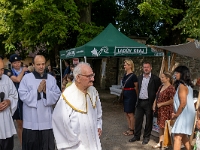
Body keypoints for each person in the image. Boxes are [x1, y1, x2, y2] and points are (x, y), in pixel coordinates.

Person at [52, 62, 102, 150]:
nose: (93, 79)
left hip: (94, 143)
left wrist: (98, 125)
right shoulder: (67, 97)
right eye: (89, 76)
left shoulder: (93, 91)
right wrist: (74, 142)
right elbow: (60, 123)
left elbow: (98, 113)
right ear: (78, 77)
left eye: (92, 75)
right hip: (77, 146)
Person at [18, 55, 61, 150]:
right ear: (33, 65)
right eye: (38, 64)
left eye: (43, 64)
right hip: (31, 121)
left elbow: (57, 94)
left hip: (47, 122)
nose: (41, 66)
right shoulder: (26, 78)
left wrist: (46, 92)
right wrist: (37, 91)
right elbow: (22, 95)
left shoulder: (51, 79)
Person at [129, 62, 161, 144]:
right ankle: (136, 136)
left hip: (149, 103)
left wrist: (155, 103)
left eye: (147, 67)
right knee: (138, 120)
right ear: (142, 68)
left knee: (148, 121)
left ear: (151, 68)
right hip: (140, 102)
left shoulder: (155, 79)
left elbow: (158, 91)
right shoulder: (139, 78)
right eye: (144, 67)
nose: (146, 69)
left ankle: (146, 137)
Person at [171, 66, 195, 150]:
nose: (175, 75)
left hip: (184, 114)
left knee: (177, 137)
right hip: (187, 114)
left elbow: (183, 103)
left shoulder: (182, 86)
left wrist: (176, 114)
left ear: (182, 74)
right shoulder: (188, 86)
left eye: (177, 73)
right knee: (183, 136)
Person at [152, 72, 176, 148]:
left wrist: (161, 104)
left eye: (162, 77)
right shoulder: (161, 86)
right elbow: (157, 96)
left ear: (167, 78)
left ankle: (166, 143)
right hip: (160, 110)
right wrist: (154, 103)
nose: (161, 78)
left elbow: (172, 100)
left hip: (166, 110)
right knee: (160, 126)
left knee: (166, 127)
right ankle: (160, 142)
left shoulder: (171, 88)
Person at [9, 53, 28, 145]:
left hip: (27, 100)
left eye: (18, 62)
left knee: (27, 124)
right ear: (12, 64)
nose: (17, 64)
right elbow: (17, 80)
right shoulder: (9, 73)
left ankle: (28, 143)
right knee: (20, 124)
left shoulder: (28, 72)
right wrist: (23, 71)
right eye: (15, 62)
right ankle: (22, 144)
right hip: (16, 102)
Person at [0, 59, 18, 150]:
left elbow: (14, 94)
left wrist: (8, 101)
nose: (1, 72)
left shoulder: (6, 79)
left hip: (6, 124)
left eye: (2, 69)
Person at [122, 59, 138, 136]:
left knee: (130, 113)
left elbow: (136, 87)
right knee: (126, 113)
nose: (124, 66)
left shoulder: (133, 76)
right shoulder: (125, 75)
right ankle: (129, 128)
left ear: (130, 65)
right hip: (125, 94)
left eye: (125, 64)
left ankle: (132, 130)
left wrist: (137, 97)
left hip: (131, 95)